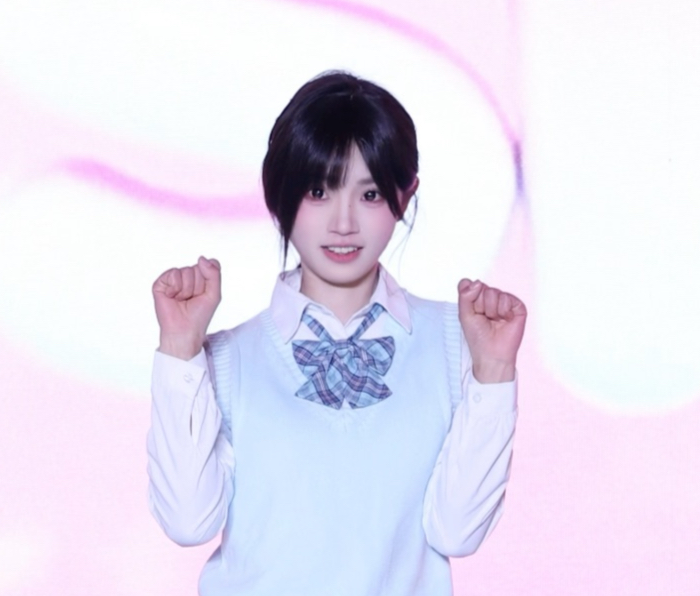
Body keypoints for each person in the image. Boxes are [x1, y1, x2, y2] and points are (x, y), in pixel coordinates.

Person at [147, 71, 525, 596]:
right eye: (319, 190)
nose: (343, 223)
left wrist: (495, 370)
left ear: (404, 195)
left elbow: (457, 533)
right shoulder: (228, 359)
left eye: (369, 194)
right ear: (279, 193)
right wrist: (180, 349)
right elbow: (188, 522)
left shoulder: (454, 342)